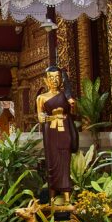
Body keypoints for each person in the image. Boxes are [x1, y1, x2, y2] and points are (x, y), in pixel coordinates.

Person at [35, 66, 78, 206]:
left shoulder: (66, 96)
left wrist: (72, 104)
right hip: (50, 133)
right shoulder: (41, 98)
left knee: (65, 162)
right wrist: (50, 117)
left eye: (57, 77)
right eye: (51, 78)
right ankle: (52, 197)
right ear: (46, 80)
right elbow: (40, 117)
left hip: (64, 130)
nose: (54, 80)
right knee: (52, 162)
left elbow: (74, 113)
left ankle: (66, 197)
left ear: (61, 79)